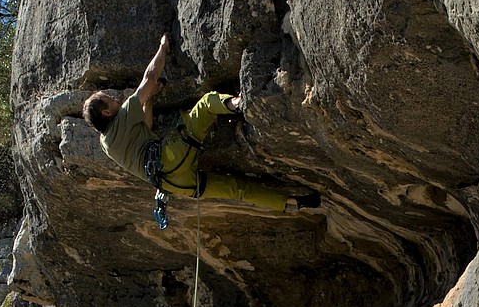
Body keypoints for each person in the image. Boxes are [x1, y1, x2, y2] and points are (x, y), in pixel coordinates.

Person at [82, 33, 320, 215]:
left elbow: (146, 125)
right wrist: (163, 47)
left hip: (174, 183)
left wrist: (152, 97)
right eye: (108, 100)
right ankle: (239, 103)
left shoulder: (107, 143)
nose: (114, 98)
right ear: (106, 112)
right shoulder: (121, 117)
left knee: (237, 189)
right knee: (207, 104)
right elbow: (149, 77)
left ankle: (289, 203)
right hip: (171, 156)